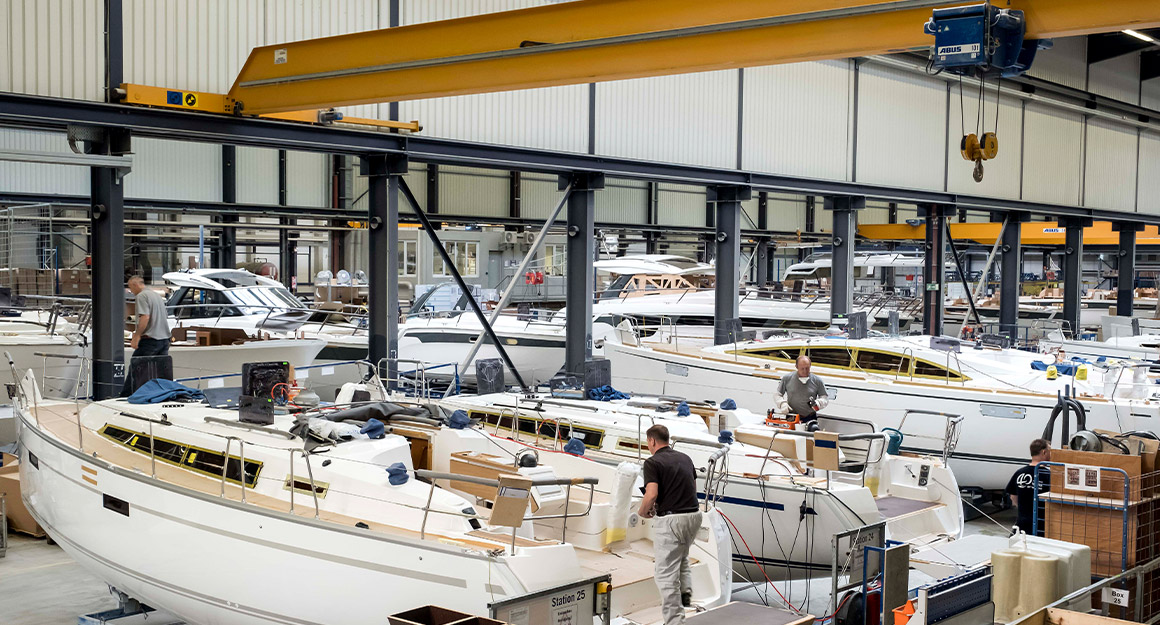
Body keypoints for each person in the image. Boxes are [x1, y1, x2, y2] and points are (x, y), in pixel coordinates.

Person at [638, 424, 701, 624]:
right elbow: (693, 487)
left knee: (665, 575)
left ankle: (675, 621)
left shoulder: (652, 463)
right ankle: (686, 592)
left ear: (652, 441)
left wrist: (642, 511)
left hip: (672, 520)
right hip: (694, 515)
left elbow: (652, 494)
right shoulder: (685, 458)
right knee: (681, 554)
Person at [122, 276, 171, 395]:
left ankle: (127, 396)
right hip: (164, 339)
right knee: (160, 372)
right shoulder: (156, 296)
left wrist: (137, 336)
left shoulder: (141, 296)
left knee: (137, 368)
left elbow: (145, 317)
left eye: (130, 287)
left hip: (150, 339)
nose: (130, 291)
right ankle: (162, 395)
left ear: (135, 285)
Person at [1006, 438, 1051, 535]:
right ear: (1044, 452)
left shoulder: (1020, 473)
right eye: (1049, 451)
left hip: (1022, 523)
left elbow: (1013, 496)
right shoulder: (1048, 475)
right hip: (1042, 525)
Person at [776, 355, 829, 420]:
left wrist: (819, 403)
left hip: (810, 417)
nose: (805, 371)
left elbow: (825, 397)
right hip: (792, 417)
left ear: (810, 366)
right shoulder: (787, 378)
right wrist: (782, 404)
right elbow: (778, 394)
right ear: (796, 367)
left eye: (807, 368)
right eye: (802, 368)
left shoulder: (817, 381)